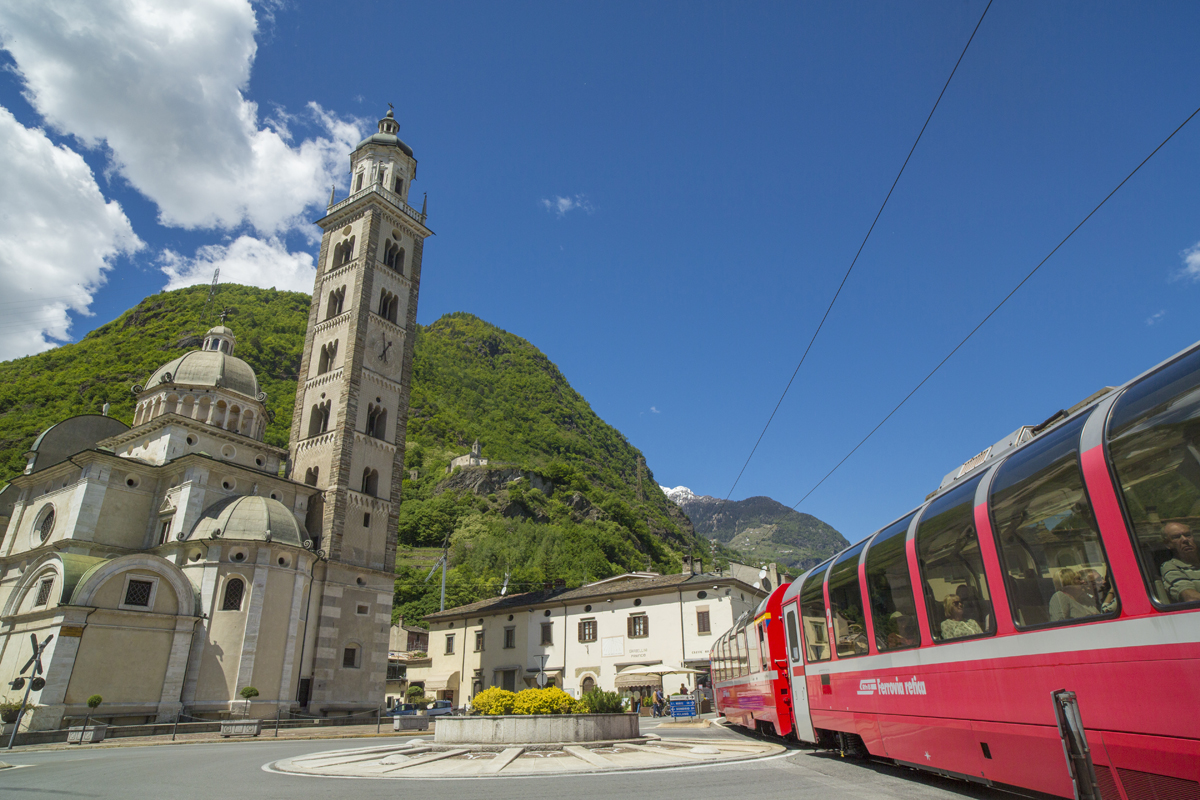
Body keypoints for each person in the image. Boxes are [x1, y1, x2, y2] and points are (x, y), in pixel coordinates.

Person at [1161, 521, 1200, 603]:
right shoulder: (1171, 566)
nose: (1185, 540)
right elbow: (1191, 597)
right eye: (1176, 537)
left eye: (1188, 535)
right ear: (1167, 544)